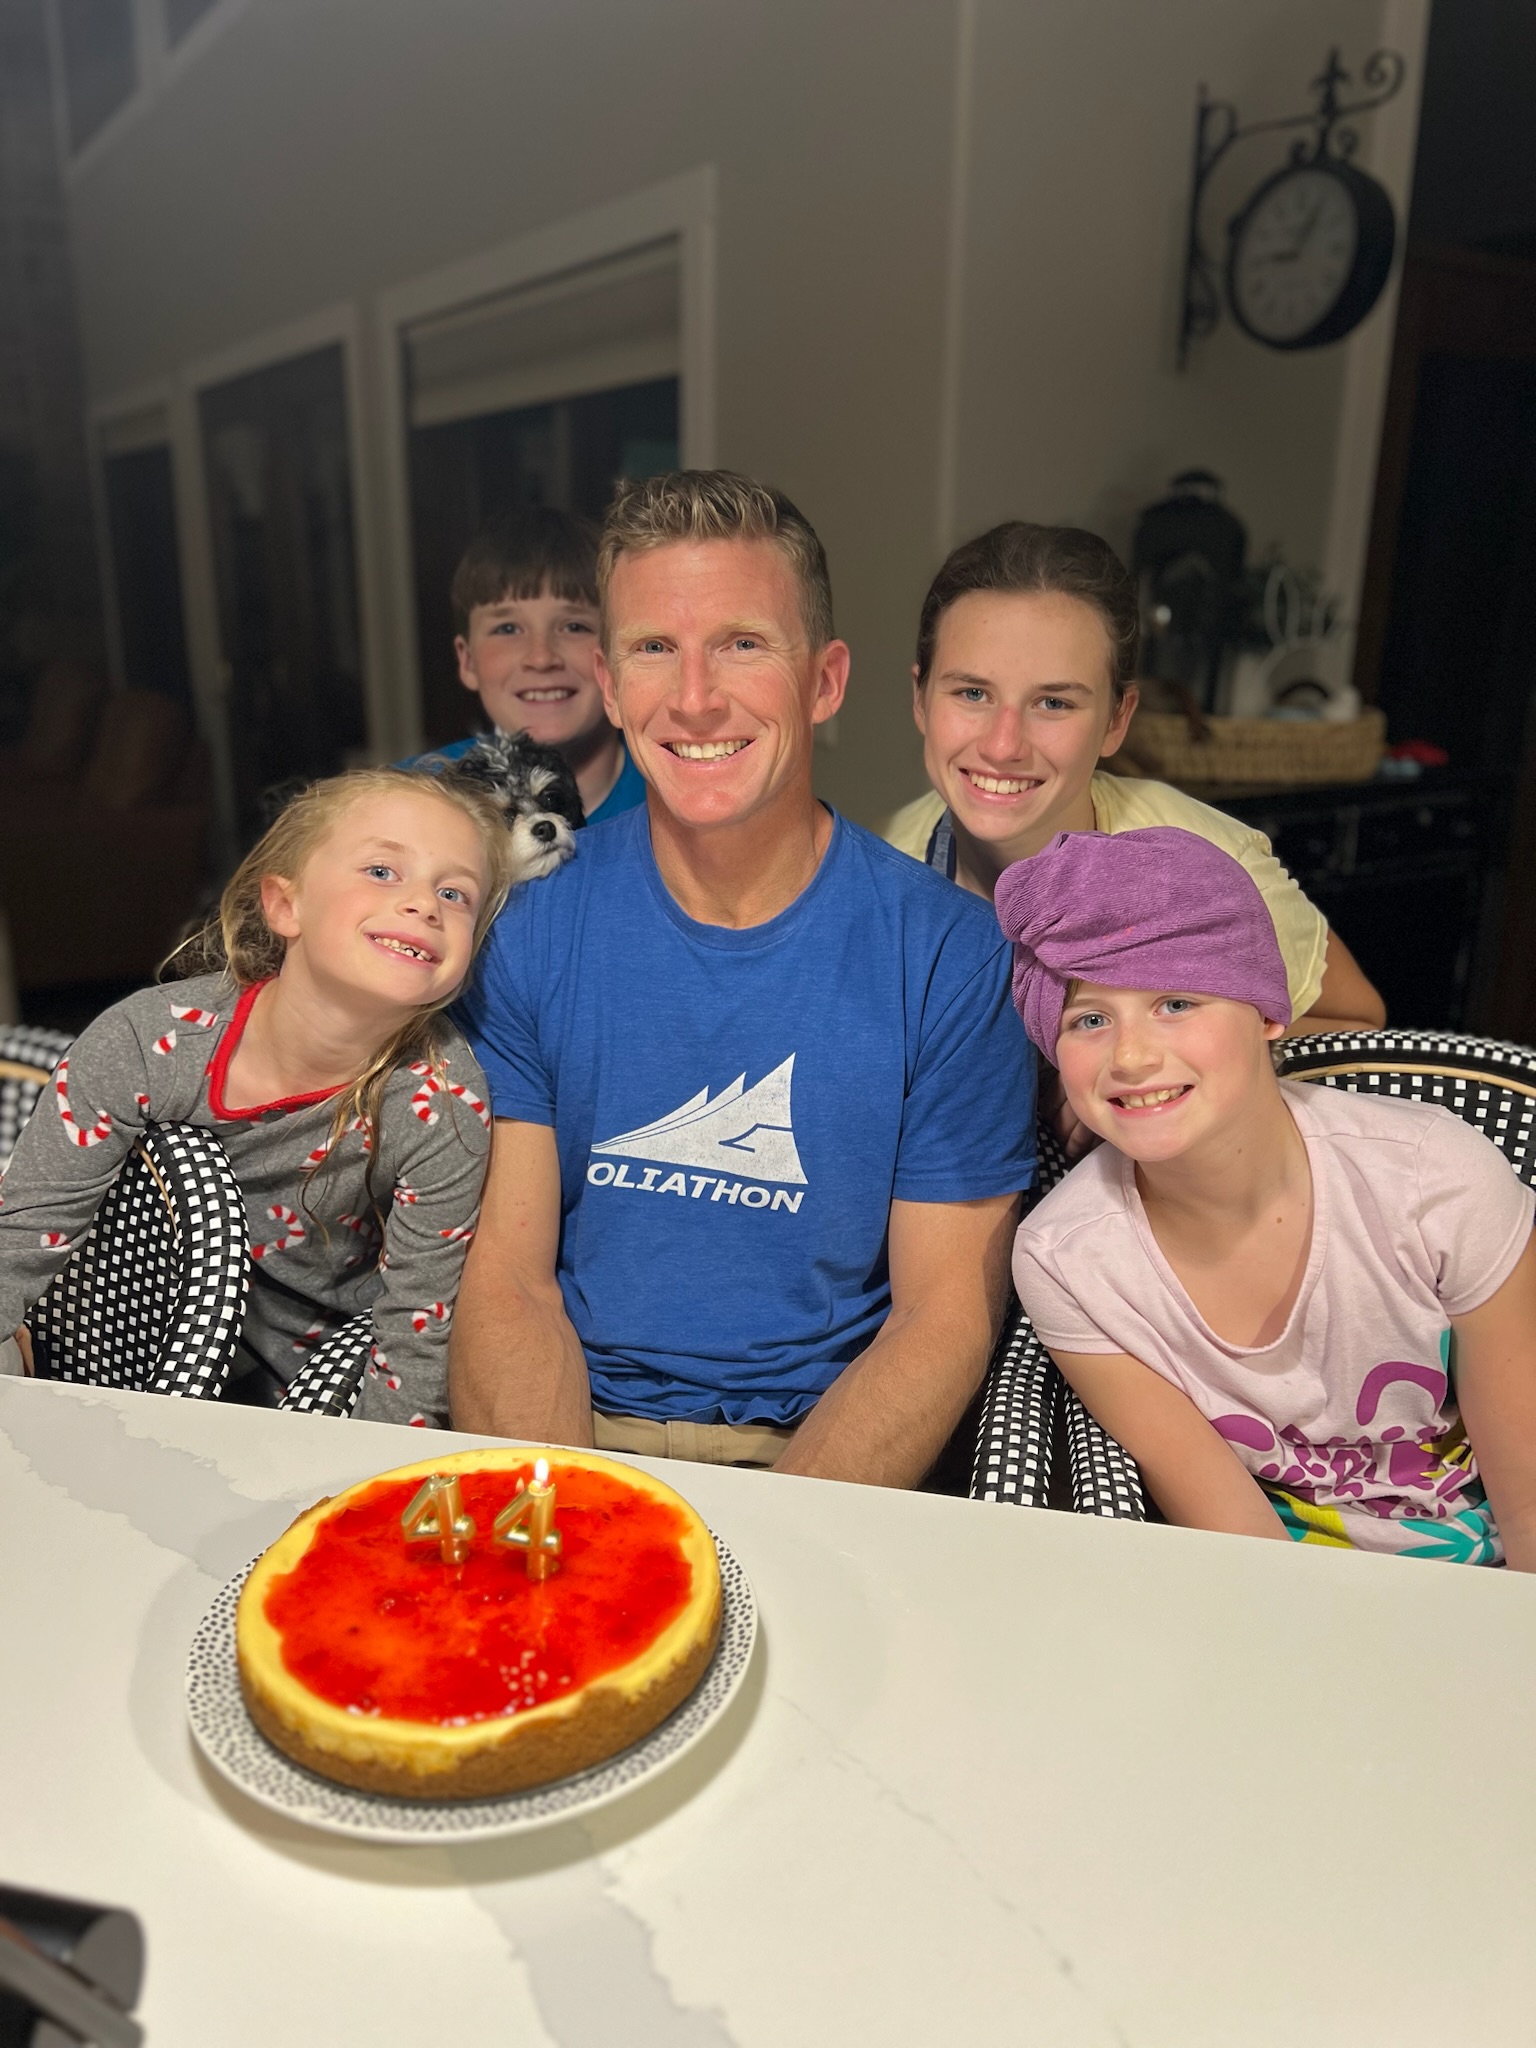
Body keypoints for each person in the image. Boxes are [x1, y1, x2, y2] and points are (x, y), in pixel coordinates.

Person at [452, 469, 1036, 1484]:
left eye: (742, 644)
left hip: (822, 1453)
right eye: (654, 649)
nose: (694, 698)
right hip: (573, 1427)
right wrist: (563, 1519)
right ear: (611, 682)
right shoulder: (526, 928)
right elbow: (509, 1281)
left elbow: (941, 1317)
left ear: (825, 681)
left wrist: (787, 1538)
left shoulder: (953, 955)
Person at [1000, 826, 1536, 1565]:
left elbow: (1528, 1502)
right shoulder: (1067, 1262)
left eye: (1176, 1001)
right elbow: (1238, 1540)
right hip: (1275, 1585)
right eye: (1090, 1019)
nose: (1131, 1056)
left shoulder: (1436, 1180)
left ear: (1266, 1011)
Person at [0, 768, 515, 1424]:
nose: (424, 904)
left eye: (454, 893)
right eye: (383, 871)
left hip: (311, 1391)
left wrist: (381, 1471)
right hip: (112, 1362)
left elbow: (417, 1328)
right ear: (284, 905)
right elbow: (19, 1241)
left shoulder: (442, 1102)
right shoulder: (147, 1041)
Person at [883, 523, 1385, 1042]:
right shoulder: (883, 866)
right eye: (972, 693)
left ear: (1117, 719)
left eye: (1053, 702)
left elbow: (1358, 1024)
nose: (1003, 745)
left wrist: (1169, 1049)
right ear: (920, 698)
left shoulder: (1214, 867)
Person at [423, 507, 646, 826]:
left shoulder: (675, 795)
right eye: (508, 629)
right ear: (467, 660)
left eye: (574, 627)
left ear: (617, 652)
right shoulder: (411, 800)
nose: (541, 658)